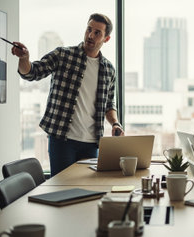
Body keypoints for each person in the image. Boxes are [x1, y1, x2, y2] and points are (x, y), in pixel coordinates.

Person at [11, 13, 123, 177]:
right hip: (62, 140)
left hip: (91, 143)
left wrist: (115, 123)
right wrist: (24, 58)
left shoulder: (108, 69)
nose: (90, 35)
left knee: (87, 191)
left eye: (97, 32)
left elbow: (109, 105)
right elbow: (32, 73)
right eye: (89, 29)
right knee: (62, 189)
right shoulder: (63, 55)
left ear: (106, 39)